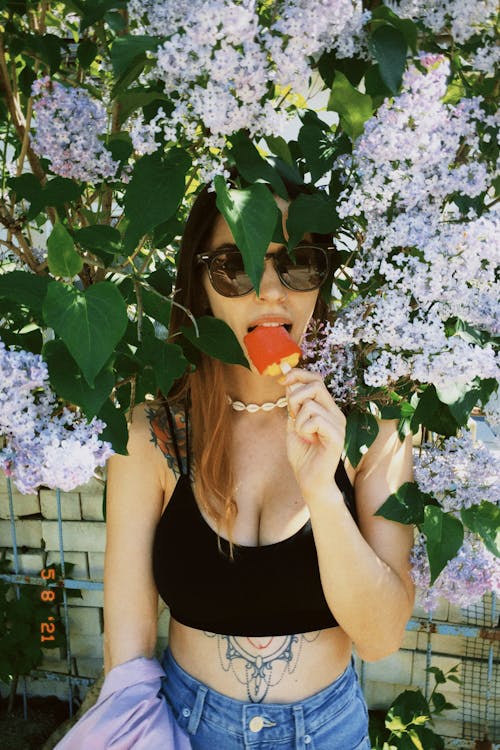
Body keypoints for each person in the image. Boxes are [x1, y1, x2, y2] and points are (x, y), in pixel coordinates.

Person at [58, 179, 415, 750]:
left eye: (298, 264)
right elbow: (126, 653)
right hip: (184, 729)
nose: (272, 292)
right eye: (237, 267)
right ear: (199, 289)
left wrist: (323, 492)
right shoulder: (152, 433)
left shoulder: (370, 430)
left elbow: (379, 638)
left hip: (328, 734)